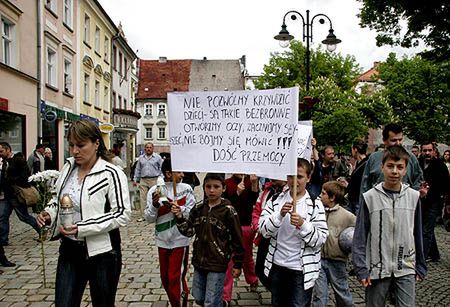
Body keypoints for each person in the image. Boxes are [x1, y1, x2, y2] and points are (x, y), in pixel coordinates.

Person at [36, 120, 131, 306]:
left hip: (103, 252)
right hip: (70, 249)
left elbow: (121, 213)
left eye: (80, 145)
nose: (74, 151)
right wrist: (49, 213)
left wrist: (82, 228)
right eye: (71, 145)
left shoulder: (111, 173)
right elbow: (58, 199)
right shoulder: (68, 168)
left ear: (96, 143)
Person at [352, 145, 427, 307]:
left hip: (405, 265)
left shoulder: (413, 197)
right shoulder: (370, 197)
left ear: (405, 170)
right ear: (382, 167)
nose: (395, 171)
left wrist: (420, 264)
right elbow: (360, 235)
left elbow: (417, 232)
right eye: (390, 166)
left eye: (400, 167)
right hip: (377, 267)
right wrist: (361, 267)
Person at [259, 158, 328, 307]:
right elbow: (263, 230)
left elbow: (320, 239)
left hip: (300, 270)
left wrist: (303, 225)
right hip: (278, 265)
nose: (294, 181)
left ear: (308, 178)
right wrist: (279, 216)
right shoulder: (276, 200)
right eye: (291, 176)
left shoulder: (315, 204)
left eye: (300, 177)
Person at [172, 173, 244, 306]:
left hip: (218, 262)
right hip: (200, 261)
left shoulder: (229, 211)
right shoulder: (199, 209)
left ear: (223, 188)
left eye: (216, 187)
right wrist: (179, 217)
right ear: (204, 188)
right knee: (199, 297)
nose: (211, 190)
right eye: (208, 186)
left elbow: (237, 239)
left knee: (210, 302)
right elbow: (188, 231)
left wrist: (238, 263)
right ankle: (221, 304)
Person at [144, 158, 195, 307]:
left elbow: (192, 213)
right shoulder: (155, 191)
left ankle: (179, 304)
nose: (183, 174)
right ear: (168, 173)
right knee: (165, 278)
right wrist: (154, 206)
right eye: (179, 171)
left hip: (180, 239)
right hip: (162, 240)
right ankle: (174, 301)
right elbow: (148, 218)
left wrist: (181, 210)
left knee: (175, 277)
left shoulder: (186, 188)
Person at [312, 181, 355, 307]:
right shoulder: (318, 212)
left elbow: (356, 234)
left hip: (337, 261)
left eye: (323, 193)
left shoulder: (347, 216)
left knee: (342, 292)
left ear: (332, 198)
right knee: (319, 295)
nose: (320, 195)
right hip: (319, 259)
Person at [360, 123, 424, 198]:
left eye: (400, 140)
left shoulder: (411, 158)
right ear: (384, 140)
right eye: (393, 140)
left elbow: (418, 182)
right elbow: (365, 186)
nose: (398, 143)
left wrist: (412, 198)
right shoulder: (374, 158)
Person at [222, 174, 259, 304]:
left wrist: (254, 185)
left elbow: (253, 201)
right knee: (230, 260)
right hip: (230, 226)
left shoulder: (250, 181)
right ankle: (225, 296)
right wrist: (236, 193)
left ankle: (253, 279)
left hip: (245, 226)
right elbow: (226, 204)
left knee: (246, 256)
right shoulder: (227, 183)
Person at [0, 143, 40, 246]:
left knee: (24, 216)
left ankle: (41, 230)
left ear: (8, 150)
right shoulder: (4, 162)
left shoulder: (18, 160)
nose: (0, 154)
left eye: (1, 151)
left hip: (17, 194)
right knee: (3, 216)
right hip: (7, 194)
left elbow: (25, 176)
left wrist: (11, 180)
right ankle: (3, 240)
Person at [251, 178, 286, 290]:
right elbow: (257, 210)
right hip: (265, 235)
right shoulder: (267, 191)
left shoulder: (290, 192)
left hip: (281, 238)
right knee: (260, 269)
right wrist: (258, 226)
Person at [418, 142, 449, 262]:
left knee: (426, 231)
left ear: (434, 151)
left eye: (429, 150)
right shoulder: (418, 163)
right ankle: (434, 254)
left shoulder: (440, 165)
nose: (427, 153)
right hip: (421, 201)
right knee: (426, 228)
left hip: (434, 202)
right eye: (425, 150)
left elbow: (445, 185)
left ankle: (422, 257)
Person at [133, 142, 163, 221]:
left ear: (153, 148)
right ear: (145, 149)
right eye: (147, 147)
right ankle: (143, 216)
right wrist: (135, 179)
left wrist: (161, 178)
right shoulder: (141, 158)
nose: (148, 149)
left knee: (155, 197)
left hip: (154, 179)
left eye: (150, 147)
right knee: (143, 198)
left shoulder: (158, 157)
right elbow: (138, 169)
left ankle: (156, 213)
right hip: (144, 180)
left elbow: (161, 168)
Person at [345, 139, 369, 215]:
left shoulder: (365, 164)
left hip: (358, 201)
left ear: (355, 149)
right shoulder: (361, 163)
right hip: (355, 200)